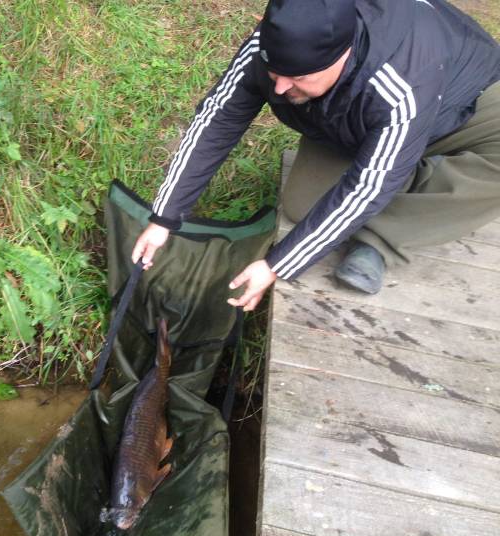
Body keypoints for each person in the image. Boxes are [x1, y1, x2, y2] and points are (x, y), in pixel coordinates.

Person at [131, 0, 500, 311]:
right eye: (275, 73)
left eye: (298, 78)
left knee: (379, 182)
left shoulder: (400, 79)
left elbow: (368, 187)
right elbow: (217, 120)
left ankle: (381, 239)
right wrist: (164, 216)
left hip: (466, 96)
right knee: (302, 206)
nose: (279, 87)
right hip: (358, 122)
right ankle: (401, 164)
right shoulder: (269, 46)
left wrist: (277, 265)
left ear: (343, 56)